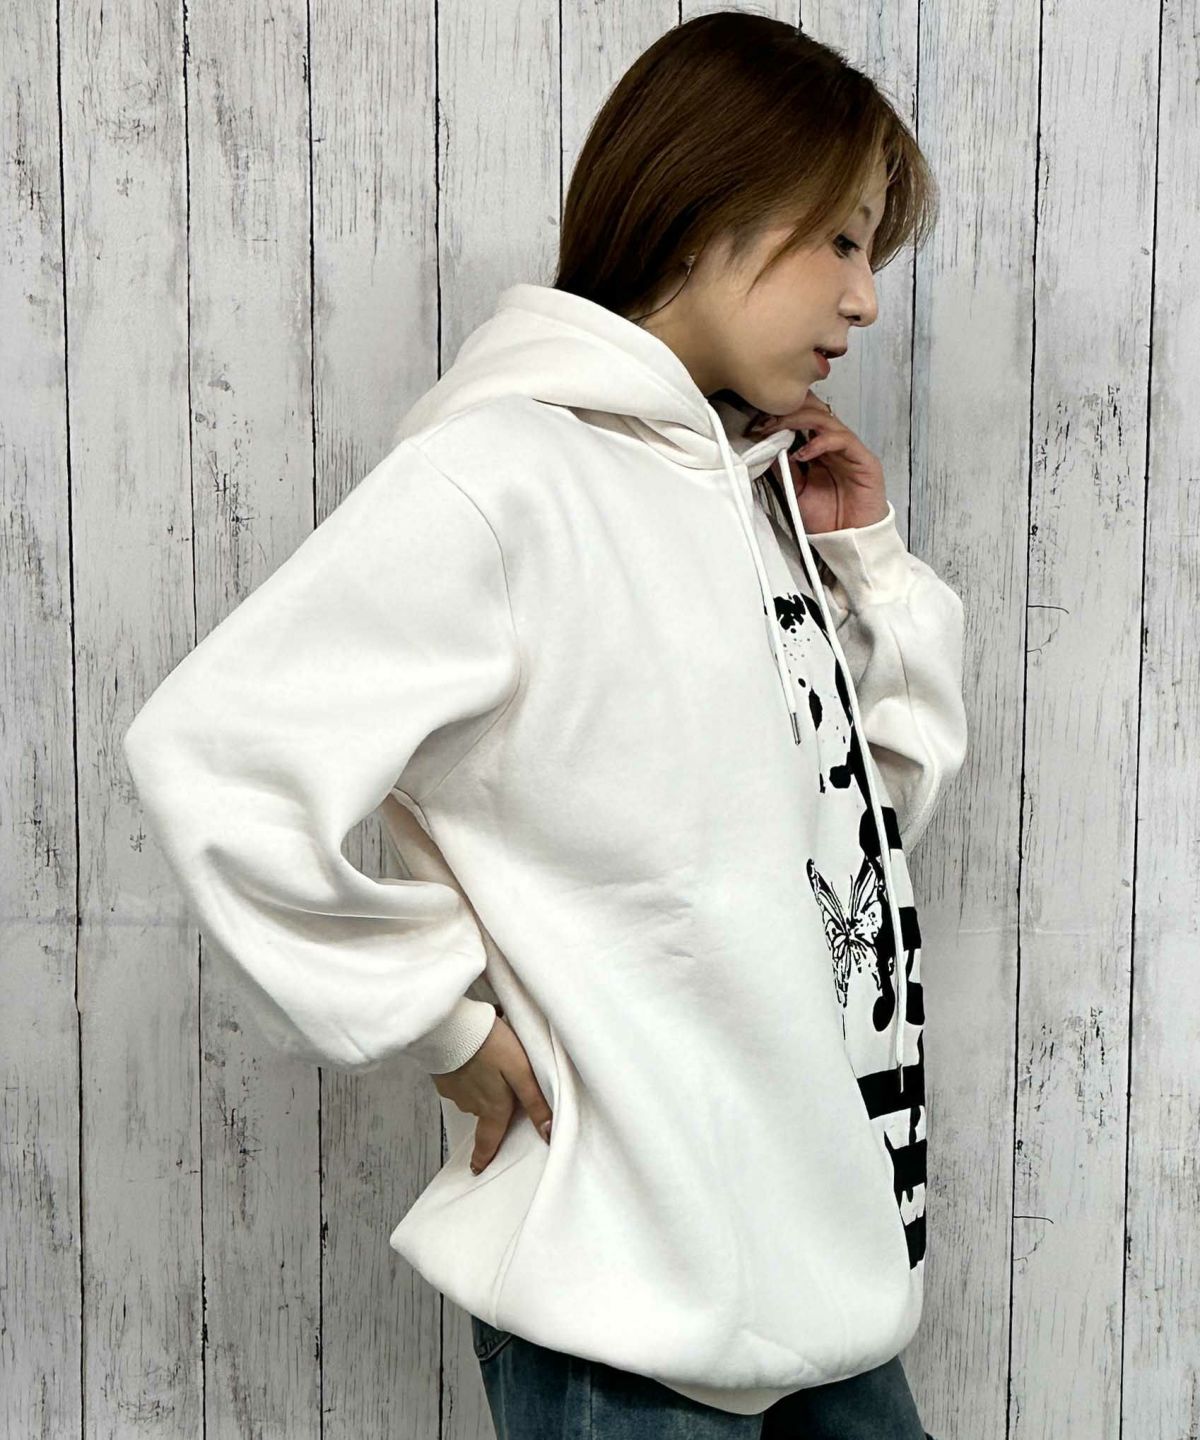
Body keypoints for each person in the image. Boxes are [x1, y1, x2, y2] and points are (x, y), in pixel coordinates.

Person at [121, 10, 965, 1437]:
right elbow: (214, 754)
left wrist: (865, 564)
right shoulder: (504, 479)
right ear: (704, 204)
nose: (865, 298)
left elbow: (859, 838)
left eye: (870, 249)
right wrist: (429, 1016)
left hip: (823, 1279)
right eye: (839, 238)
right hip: (622, 1313)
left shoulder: (742, 495)